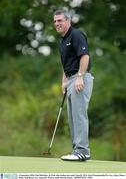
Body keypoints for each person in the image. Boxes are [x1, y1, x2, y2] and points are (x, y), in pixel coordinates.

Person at [53, 9, 93, 161]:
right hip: (70, 79)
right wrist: (64, 82)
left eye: (60, 20)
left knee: (79, 115)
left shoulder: (76, 35)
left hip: (80, 78)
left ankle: (83, 151)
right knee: (72, 118)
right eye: (55, 21)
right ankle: (77, 150)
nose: (57, 23)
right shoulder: (62, 42)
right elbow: (65, 65)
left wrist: (80, 77)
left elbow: (85, 56)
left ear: (68, 21)